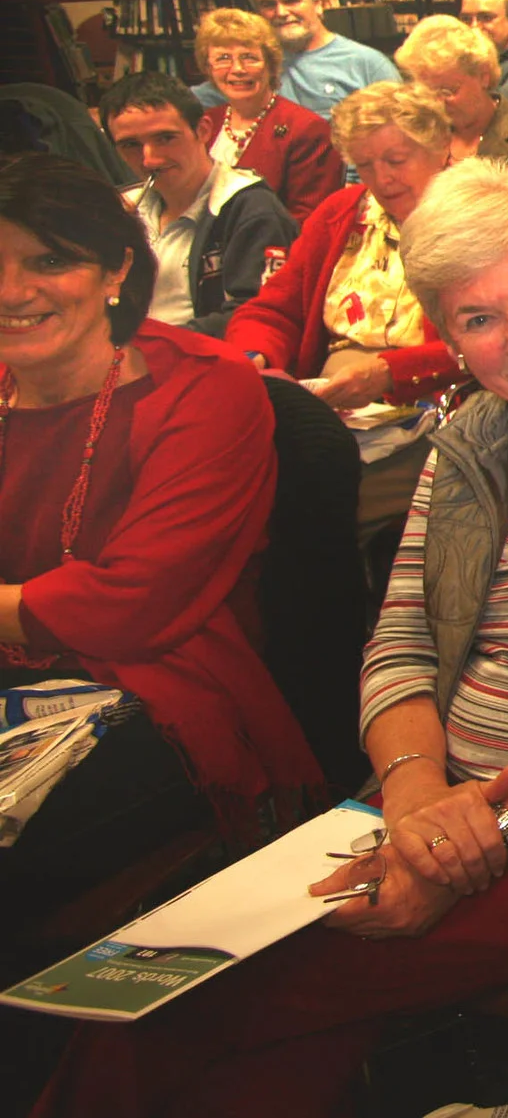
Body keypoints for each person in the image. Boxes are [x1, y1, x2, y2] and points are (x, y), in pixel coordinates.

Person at [35, 159, 508, 1118]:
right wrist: (417, 799)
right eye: (478, 319)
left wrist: (493, 834)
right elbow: (398, 638)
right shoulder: (477, 433)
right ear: (446, 334)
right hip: (436, 814)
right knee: (177, 1009)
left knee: (179, 1012)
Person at [0, 155, 321, 948]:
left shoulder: (204, 387)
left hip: (160, 692)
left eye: (50, 260)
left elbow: (133, 603)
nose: (12, 291)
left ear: (117, 269)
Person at [225, 81, 462, 540]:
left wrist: (389, 373)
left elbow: (485, 340)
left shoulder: (478, 215)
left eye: (396, 161)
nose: (381, 179)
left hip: (438, 401)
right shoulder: (342, 211)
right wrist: (254, 359)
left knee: (307, 493)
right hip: (336, 398)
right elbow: (274, 309)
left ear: (441, 148)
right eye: (365, 165)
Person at [103, 73, 295, 337]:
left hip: (202, 361)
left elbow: (258, 313)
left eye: (165, 138)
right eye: (131, 145)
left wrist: (152, 344)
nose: (149, 160)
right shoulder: (117, 209)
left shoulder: (251, 209)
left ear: (203, 131)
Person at [189, 0, 396, 118]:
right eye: (268, 5)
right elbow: (188, 103)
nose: (281, 12)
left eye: (291, 1)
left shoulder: (367, 65)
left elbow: (404, 134)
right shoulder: (250, 67)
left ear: (318, 3)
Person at [191, 7, 343, 223]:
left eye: (249, 58)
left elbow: (309, 220)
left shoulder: (307, 129)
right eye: (223, 58)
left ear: (271, 66)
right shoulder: (207, 123)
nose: (237, 69)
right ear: (208, 67)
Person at [394, 16, 508, 182]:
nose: (438, 102)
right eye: (429, 93)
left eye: (448, 91)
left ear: (483, 77)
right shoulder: (422, 137)